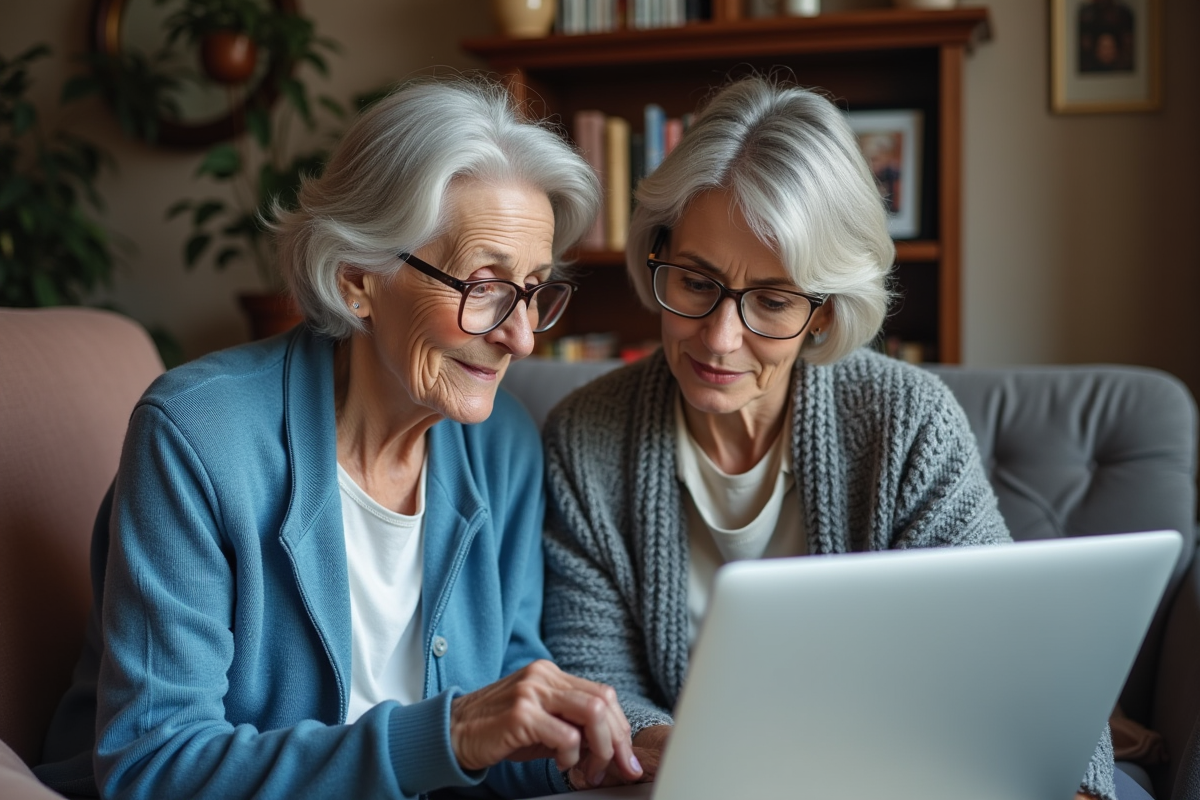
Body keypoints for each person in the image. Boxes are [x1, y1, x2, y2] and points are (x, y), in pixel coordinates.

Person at [33, 77, 642, 799]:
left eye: (534, 291)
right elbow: (152, 764)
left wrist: (615, 750)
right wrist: (447, 736)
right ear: (358, 278)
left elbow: (507, 716)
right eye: (485, 286)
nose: (521, 337)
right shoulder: (197, 437)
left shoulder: (501, 445)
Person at [540, 76, 1123, 800]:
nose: (720, 338)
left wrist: (1074, 782)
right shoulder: (586, 438)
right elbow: (593, 667)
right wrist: (657, 741)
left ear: (822, 312)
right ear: (658, 252)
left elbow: (1013, 650)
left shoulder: (907, 421)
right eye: (696, 282)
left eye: (772, 301)